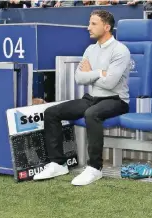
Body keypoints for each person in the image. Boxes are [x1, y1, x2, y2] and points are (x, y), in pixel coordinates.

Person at [34, 10, 130, 186]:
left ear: (107, 27)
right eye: (89, 23)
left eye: (93, 24)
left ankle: (95, 168)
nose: (88, 28)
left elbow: (110, 84)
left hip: (116, 100)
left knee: (92, 114)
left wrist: (91, 73)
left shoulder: (120, 50)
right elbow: (79, 78)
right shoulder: (90, 49)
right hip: (91, 97)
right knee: (51, 112)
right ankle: (58, 163)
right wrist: (100, 73)